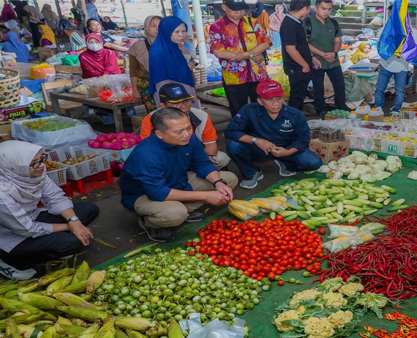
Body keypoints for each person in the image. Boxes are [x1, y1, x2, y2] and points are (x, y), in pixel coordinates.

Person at [0, 141, 100, 279]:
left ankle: (55, 243)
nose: (42, 165)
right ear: (13, 166)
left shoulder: (30, 172)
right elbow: (26, 229)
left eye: (42, 159)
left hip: (27, 217)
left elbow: (55, 196)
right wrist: (71, 226)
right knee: (70, 243)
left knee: (89, 209)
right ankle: (5, 260)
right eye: (34, 163)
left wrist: (74, 221)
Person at [120, 107, 238, 242]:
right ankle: (151, 222)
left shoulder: (188, 138)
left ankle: (184, 209)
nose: (187, 134)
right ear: (159, 134)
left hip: (176, 181)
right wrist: (206, 195)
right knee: (174, 214)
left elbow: (202, 164)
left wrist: (218, 183)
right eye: (179, 131)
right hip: (144, 194)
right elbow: (157, 192)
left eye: (188, 128)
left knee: (227, 180)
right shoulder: (146, 154)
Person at [225, 80, 322, 189]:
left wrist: (287, 152)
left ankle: (285, 163)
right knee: (233, 145)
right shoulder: (248, 110)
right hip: (259, 148)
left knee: (313, 163)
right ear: (260, 101)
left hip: (286, 148)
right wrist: (257, 141)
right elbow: (231, 131)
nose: (275, 103)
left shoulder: (295, 114)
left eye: (278, 98)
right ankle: (252, 173)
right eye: (269, 99)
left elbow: (303, 139)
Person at [138, 83, 231, 168]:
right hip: (167, 159)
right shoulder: (151, 119)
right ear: (163, 105)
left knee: (222, 158)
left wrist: (209, 157)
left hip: (194, 156)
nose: (183, 106)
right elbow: (149, 149)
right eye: (176, 103)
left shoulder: (201, 116)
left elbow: (210, 144)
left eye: (186, 101)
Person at [210, 0, 271, 117]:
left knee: (262, 108)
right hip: (234, 77)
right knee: (238, 111)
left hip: (258, 74)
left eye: (241, 8)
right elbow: (218, 51)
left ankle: (260, 133)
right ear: (224, 7)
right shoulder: (217, 26)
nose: (239, 11)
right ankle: (240, 134)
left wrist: (245, 55)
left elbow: (266, 43)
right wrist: (252, 54)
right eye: (234, 8)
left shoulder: (253, 22)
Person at [306, 0, 348, 118]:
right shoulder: (307, 23)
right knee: (318, 86)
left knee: (339, 85)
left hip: (333, 60)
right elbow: (305, 43)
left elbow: (338, 41)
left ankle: (341, 107)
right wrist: (323, 54)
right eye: (323, 9)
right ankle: (321, 109)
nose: (326, 12)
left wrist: (334, 53)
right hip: (316, 60)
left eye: (329, 9)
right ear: (315, 7)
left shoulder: (334, 23)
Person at [149, 16, 199, 108]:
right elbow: (161, 80)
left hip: (182, 91)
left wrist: (185, 67)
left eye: (183, 31)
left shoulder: (173, 48)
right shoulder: (159, 51)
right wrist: (170, 101)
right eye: (176, 31)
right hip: (174, 96)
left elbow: (173, 68)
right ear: (166, 31)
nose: (181, 35)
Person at [281, 0, 321, 112]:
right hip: (296, 68)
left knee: (300, 95)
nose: (309, 11)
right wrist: (304, 65)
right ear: (304, 9)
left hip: (300, 66)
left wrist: (311, 58)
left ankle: (296, 120)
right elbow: (290, 49)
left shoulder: (295, 22)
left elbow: (301, 45)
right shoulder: (289, 24)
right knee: (296, 97)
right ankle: (292, 122)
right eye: (309, 8)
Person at [374, 25, 417, 117]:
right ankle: (378, 108)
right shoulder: (386, 28)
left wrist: (405, 54)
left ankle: (397, 109)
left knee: (399, 90)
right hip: (385, 64)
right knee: (379, 89)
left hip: (402, 66)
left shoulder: (412, 31)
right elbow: (379, 45)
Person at [128, 15, 161, 112]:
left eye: (160, 25)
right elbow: (133, 70)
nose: (157, 29)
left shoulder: (172, 44)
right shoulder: (138, 46)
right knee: (156, 116)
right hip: (148, 87)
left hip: (168, 84)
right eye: (153, 25)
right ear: (147, 28)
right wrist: (135, 90)